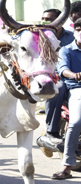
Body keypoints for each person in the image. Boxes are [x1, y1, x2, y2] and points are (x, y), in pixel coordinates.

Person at [41, 7, 80, 148]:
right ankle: (51, 132)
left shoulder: (72, 37)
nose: (45, 22)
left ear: (60, 21)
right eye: (43, 19)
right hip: (49, 77)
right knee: (57, 88)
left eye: (49, 20)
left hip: (73, 78)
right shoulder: (39, 37)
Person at [52, 19, 81, 180]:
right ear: (74, 31)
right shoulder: (66, 50)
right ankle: (67, 166)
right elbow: (63, 70)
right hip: (77, 88)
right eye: (78, 29)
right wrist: (75, 75)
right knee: (76, 122)